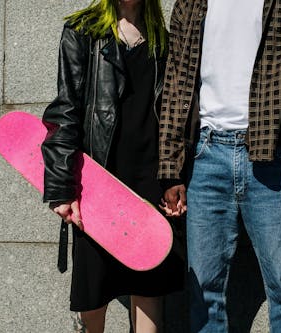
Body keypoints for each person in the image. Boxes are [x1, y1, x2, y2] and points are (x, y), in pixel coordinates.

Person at [158, 0, 281, 332]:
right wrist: (171, 168)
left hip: (275, 159)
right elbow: (175, 84)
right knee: (202, 290)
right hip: (206, 156)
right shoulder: (190, 3)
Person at [41, 1, 184, 332]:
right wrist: (63, 188)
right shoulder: (83, 32)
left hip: (150, 178)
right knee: (95, 290)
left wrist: (176, 178)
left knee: (149, 282)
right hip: (98, 178)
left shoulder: (163, 38)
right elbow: (66, 110)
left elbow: (176, 113)